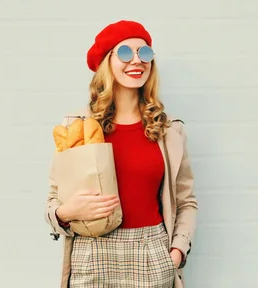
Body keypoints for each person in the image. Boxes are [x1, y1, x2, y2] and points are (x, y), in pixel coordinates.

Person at [44, 20, 198, 288]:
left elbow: (186, 202)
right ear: (107, 62)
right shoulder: (77, 128)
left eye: (145, 53)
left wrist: (175, 253)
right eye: (126, 53)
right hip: (91, 253)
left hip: (152, 252)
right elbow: (52, 201)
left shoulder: (169, 130)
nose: (137, 61)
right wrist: (66, 212)